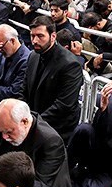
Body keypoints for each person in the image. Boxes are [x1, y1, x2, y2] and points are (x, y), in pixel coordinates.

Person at [20, 15, 84, 143]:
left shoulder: (70, 64)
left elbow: (64, 105)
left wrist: (33, 122)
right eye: (32, 36)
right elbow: (24, 89)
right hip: (33, 121)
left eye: (40, 36)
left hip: (56, 130)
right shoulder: (33, 56)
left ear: (53, 36)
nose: (34, 41)